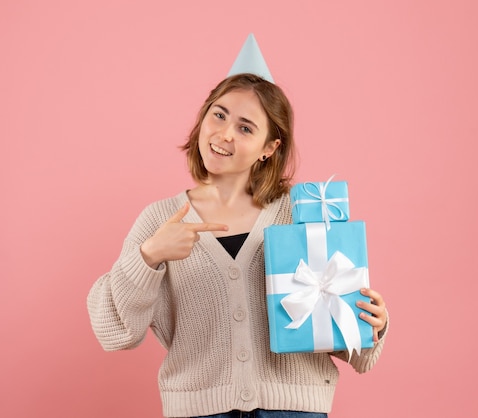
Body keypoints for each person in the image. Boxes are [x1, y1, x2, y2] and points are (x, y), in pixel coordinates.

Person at [87, 38, 388, 418]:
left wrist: (372, 321)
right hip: (198, 411)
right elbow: (114, 331)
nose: (225, 134)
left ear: (269, 147)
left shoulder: (303, 211)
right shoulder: (159, 220)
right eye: (219, 115)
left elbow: (354, 349)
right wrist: (150, 256)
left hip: (294, 411)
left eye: (246, 128)